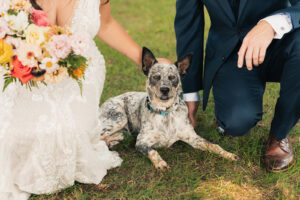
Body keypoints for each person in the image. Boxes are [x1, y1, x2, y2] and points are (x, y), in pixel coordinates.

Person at [0, 0, 167, 199]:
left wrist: (146, 62)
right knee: (13, 138)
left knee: (66, 138)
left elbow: (106, 24)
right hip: (26, 75)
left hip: (78, 76)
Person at [175, 0, 300, 172]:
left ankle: (279, 134)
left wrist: (271, 23)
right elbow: (188, 25)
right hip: (231, 52)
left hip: (283, 40)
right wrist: (189, 93)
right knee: (236, 122)